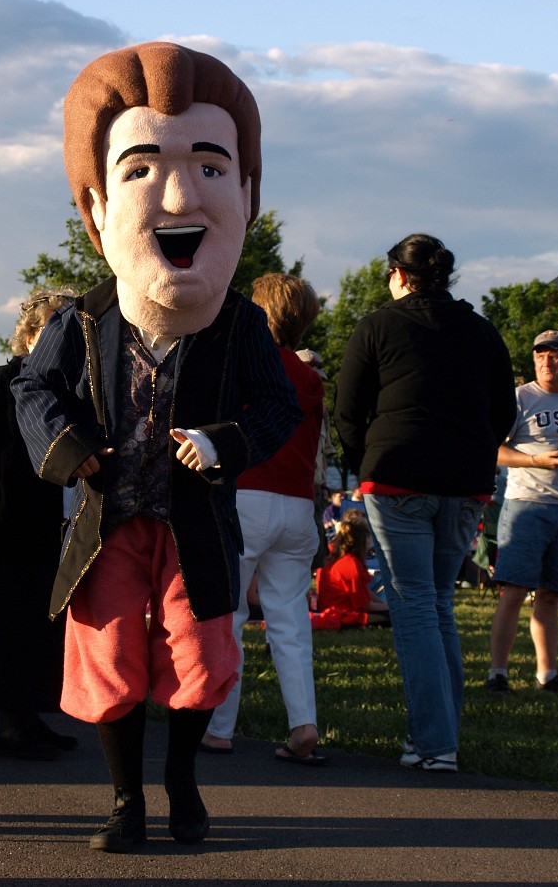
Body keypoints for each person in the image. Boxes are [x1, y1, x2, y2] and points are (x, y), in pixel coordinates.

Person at [12, 42, 301, 852]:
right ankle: (122, 798)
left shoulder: (241, 323)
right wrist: (70, 450)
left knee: (201, 655)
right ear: (96, 204)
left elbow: (276, 406)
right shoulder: (82, 320)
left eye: (211, 167)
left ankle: (178, 781)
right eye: (140, 169)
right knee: (107, 657)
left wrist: (224, 443)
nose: (179, 194)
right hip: (110, 516)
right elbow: (30, 391)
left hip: (195, 518)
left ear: (245, 192)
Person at [334, 233, 515, 773]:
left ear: (398, 274)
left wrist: (364, 459)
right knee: (437, 602)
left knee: (412, 603)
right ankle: (442, 735)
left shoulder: (377, 325)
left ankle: (434, 744)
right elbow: (502, 409)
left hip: (397, 475)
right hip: (465, 482)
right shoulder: (482, 331)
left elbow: (348, 409)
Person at [0, 290, 78, 760]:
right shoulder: (3, 383)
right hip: (7, 525)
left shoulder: (70, 387)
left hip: (51, 528)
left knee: (45, 627)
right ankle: (10, 728)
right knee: (9, 626)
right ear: (27, 336)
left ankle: (33, 716)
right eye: (50, 331)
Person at [202, 273, 325, 766]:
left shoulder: (245, 364)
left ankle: (218, 726)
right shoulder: (310, 377)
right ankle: (304, 724)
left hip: (247, 496)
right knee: (290, 619)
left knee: (230, 613)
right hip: (297, 505)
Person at [486, 330, 558, 696]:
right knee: (515, 591)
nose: (547, 361)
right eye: (540, 355)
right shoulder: (519, 398)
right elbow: (493, 450)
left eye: (555, 354)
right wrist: (535, 459)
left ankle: (547, 675)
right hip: (527, 507)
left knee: (552, 595)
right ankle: (498, 673)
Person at [315, 510, 390, 627]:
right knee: (394, 617)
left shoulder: (332, 555)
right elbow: (367, 606)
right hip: (345, 616)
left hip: (328, 609)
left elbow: (364, 592)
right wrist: (394, 607)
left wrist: (385, 604)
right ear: (364, 539)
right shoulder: (351, 564)